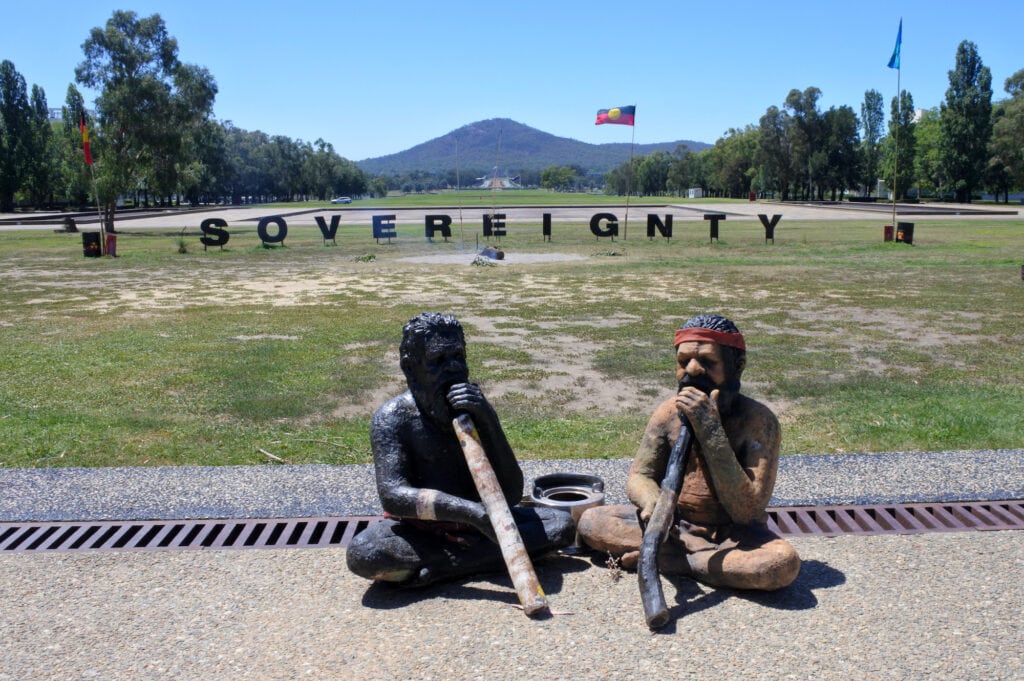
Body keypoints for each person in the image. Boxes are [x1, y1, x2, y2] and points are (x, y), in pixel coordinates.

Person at [347, 312, 574, 587]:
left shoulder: (475, 409)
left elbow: (512, 492)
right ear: (410, 367)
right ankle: (485, 559)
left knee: (561, 524)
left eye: (458, 357)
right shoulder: (393, 418)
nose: (453, 369)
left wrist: (488, 420)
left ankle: (446, 567)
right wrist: (471, 513)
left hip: (487, 524)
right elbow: (393, 496)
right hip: (426, 532)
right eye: (438, 361)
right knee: (365, 553)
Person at [577, 314, 800, 591]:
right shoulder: (668, 412)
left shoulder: (758, 421)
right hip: (675, 529)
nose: (692, 370)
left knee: (779, 565)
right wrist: (653, 503)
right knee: (590, 522)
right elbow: (640, 475)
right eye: (683, 362)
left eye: (707, 362)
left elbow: (749, 510)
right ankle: (692, 558)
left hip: (732, 536)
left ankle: (679, 564)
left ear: (737, 366)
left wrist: (710, 432)